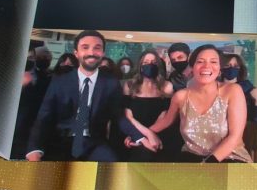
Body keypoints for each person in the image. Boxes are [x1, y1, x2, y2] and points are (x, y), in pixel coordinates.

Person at [25, 30, 160, 161]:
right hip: (60, 142)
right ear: (76, 53)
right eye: (85, 47)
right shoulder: (59, 82)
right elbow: (43, 118)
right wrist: (34, 149)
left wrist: (140, 137)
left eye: (97, 48)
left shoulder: (111, 83)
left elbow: (118, 117)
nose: (91, 52)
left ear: (102, 53)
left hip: (95, 143)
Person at [148, 44, 251, 162]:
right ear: (192, 67)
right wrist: (140, 134)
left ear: (219, 68)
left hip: (230, 158)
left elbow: (235, 137)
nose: (207, 66)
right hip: (191, 158)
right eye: (200, 61)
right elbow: (165, 122)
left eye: (213, 62)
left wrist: (208, 163)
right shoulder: (180, 96)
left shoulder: (233, 90)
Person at [119, 50, 176, 161]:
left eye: (153, 62)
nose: (150, 65)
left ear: (158, 66)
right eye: (146, 62)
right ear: (140, 66)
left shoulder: (166, 86)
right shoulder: (129, 85)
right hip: (134, 133)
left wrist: (148, 135)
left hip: (159, 132)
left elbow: (164, 116)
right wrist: (139, 137)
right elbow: (128, 117)